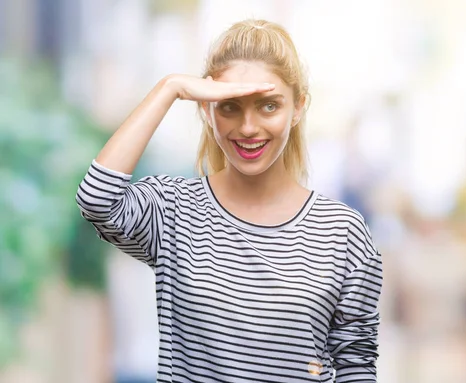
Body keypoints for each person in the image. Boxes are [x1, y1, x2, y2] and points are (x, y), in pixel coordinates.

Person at [75, 19, 383, 383]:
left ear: (298, 107)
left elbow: (356, 368)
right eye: (229, 106)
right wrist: (169, 88)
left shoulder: (342, 232)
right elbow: (96, 199)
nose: (249, 127)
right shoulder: (175, 209)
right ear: (208, 109)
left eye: (269, 106)